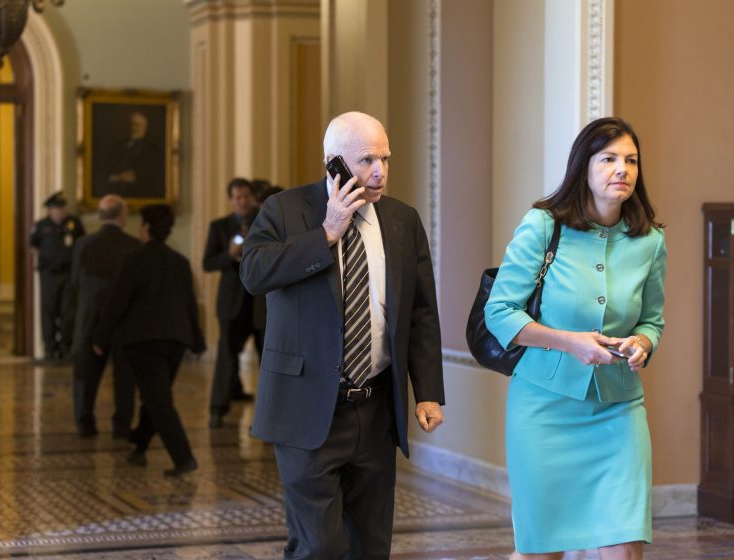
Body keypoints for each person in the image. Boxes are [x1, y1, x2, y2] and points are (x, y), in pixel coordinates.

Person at [240, 111, 445, 559]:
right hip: (306, 407)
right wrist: (327, 233)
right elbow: (253, 274)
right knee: (319, 547)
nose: (380, 171)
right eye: (367, 159)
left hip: (374, 410)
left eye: (386, 158)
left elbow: (421, 315)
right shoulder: (284, 210)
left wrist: (427, 392)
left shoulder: (402, 220)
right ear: (333, 163)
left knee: (370, 545)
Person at [484, 117, 667, 559]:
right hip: (544, 410)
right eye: (608, 159)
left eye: (630, 160)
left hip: (619, 410)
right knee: (545, 549)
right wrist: (570, 341)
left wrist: (643, 343)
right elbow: (499, 312)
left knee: (624, 546)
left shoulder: (650, 241)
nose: (621, 169)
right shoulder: (544, 226)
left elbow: (652, 321)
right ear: (583, 167)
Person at [93, 204, 205, 477]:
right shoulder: (180, 262)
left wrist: (100, 338)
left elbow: (117, 303)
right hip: (176, 341)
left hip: (144, 341)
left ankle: (184, 458)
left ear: (144, 227)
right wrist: (198, 340)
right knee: (156, 396)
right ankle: (139, 445)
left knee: (158, 402)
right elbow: (190, 304)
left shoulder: (135, 259)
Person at [71, 195, 141, 438]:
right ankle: (121, 426)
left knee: (85, 376)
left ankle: (84, 422)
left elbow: (75, 283)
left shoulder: (84, 244)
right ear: (122, 215)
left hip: (89, 322)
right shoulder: (134, 245)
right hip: (125, 322)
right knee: (124, 379)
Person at [203, 178, 264, 428]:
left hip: (261, 302)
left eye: (245, 196)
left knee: (267, 360)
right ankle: (218, 409)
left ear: (251, 197)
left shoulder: (264, 219)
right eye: (237, 197)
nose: (242, 201)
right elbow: (208, 263)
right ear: (230, 199)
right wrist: (229, 255)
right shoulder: (219, 226)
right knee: (226, 358)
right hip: (232, 303)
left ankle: (266, 416)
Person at [29, 191, 85, 361]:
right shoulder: (41, 226)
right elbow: (33, 246)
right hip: (49, 275)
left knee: (68, 313)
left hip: (68, 274)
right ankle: (50, 349)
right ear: (50, 210)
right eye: (56, 208)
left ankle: (66, 348)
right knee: (49, 312)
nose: (60, 212)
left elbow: (83, 244)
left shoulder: (74, 224)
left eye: (62, 208)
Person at [104, 111, 163, 198]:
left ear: (145, 127)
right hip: (115, 193)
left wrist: (135, 177)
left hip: (140, 194)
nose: (133, 128)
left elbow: (153, 176)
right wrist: (115, 177)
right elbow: (106, 170)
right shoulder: (118, 146)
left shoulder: (153, 150)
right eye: (131, 124)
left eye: (137, 125)